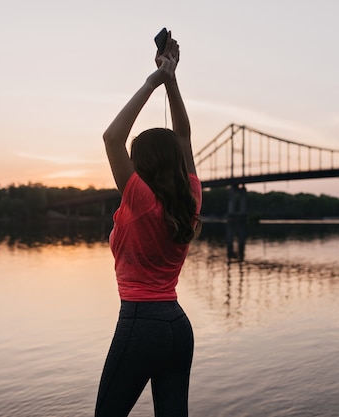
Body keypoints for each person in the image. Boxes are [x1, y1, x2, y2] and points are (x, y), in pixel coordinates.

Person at [95, 31, 201, 417]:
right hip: (177, 327)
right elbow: (185, 135)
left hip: (140, 324)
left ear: (141, 165)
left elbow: (111, 138)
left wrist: (153, 81)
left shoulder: (138, 198)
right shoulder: (190, 197)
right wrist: (172, 80)